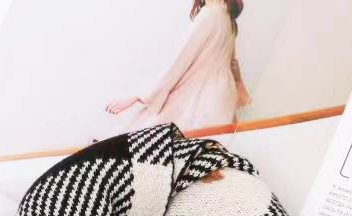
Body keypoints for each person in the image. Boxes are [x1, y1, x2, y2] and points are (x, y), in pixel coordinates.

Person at [105, 0, 250, 133]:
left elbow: (179, 62)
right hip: (221, 100)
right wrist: (240, 90)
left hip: (199, 100)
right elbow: (232, 63)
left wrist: (139, 97)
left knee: (140, 136)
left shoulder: (209, 15)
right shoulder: (228, 19)